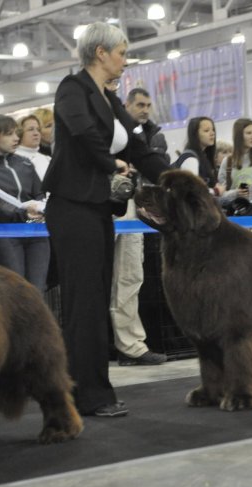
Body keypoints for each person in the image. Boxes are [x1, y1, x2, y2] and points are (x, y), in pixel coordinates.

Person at [41, 22, 169, 417]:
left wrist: (172, 177)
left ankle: (95, 390)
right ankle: (88, 395)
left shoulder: (110, 99)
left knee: (97, 300)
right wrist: (110, 162)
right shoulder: (72, 88)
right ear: (101, 53)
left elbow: (137, 144)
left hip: (97, 207)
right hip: (72, 206)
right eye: (122, 53)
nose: (124, 61)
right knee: (84, 303)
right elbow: (82, 135)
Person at [107, 85, 169, 367]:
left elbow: (149, 161)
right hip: (97, 203)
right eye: (139, 104)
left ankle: (131, 345)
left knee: (131, 276)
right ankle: (99, 347)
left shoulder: (142, 134)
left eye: (148, 105)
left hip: (131, 204)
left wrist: (174, 179)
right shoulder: (89, 118)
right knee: (97, 280)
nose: (144, 110)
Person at [0, 114, 49, 293]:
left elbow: (39, 192)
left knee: (37, 290)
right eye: (9, 134)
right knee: (15, 291)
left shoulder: (25, 163)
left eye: (16, 133)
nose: (16, 138)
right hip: (6, 235)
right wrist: (22, 213)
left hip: (35, 231)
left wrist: (39, 208)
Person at [173, 116, 219, 192]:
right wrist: (216, 191)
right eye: (206, 130)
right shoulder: (190, 159)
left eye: (213, 130)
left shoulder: (205, 156)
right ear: (195, 135)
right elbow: (192, 190)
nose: (212, 133)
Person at [15, 114, 51, 182]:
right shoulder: (13, 160)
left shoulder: (47, 159)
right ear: (19, 133)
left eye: (38, 129)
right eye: (30, 129)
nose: (36, 133)